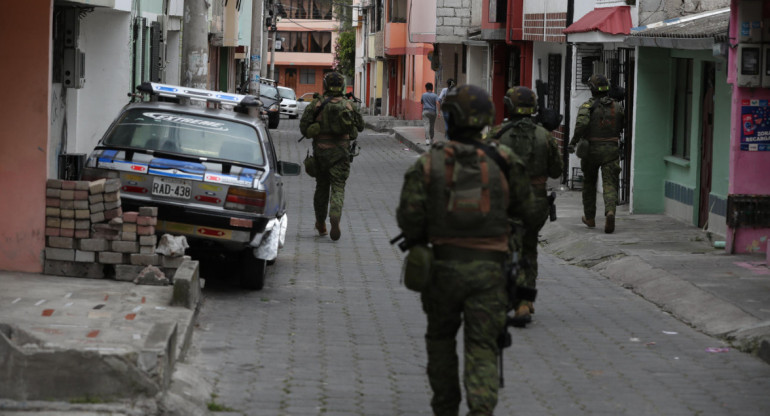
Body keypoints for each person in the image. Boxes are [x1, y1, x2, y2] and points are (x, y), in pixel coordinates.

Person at [396, 85, 534, 416]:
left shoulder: (429, 164)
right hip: (490, 274)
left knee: (441, 342)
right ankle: (481, 407)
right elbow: (526, 209)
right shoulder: (504, 161)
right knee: (483, 347)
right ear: (486, 119)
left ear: (451, 117)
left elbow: (409, 218)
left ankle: (445, 407)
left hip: (442, 271)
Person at [493, 86, 563, 327]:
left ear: (509, 106)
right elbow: (557, 170)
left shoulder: (497, 134)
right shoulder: (545, 136)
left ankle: (512, 300)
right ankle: (526, 299)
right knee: (529, 248)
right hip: (536, 201)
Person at [299, 72, 364, 241]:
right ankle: (335, 216)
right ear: (342, 86)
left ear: (326, 86)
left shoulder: (316, 104)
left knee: (321, 188)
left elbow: (303, 128)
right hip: (341, 154)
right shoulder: (349, 105)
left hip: (321, 154)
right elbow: (361, 126)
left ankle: (321, 224)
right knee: (338, 187)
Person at [568, 74, 625, 234]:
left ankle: (590, 218)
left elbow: (581, 125)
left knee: (589, 184)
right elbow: (623, 125)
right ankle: (610, 212)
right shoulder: (618, 107)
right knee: (610, 183)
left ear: (592, 90)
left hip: (591, 150)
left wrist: (573, 142)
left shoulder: (587, 106)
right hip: (611, 150)